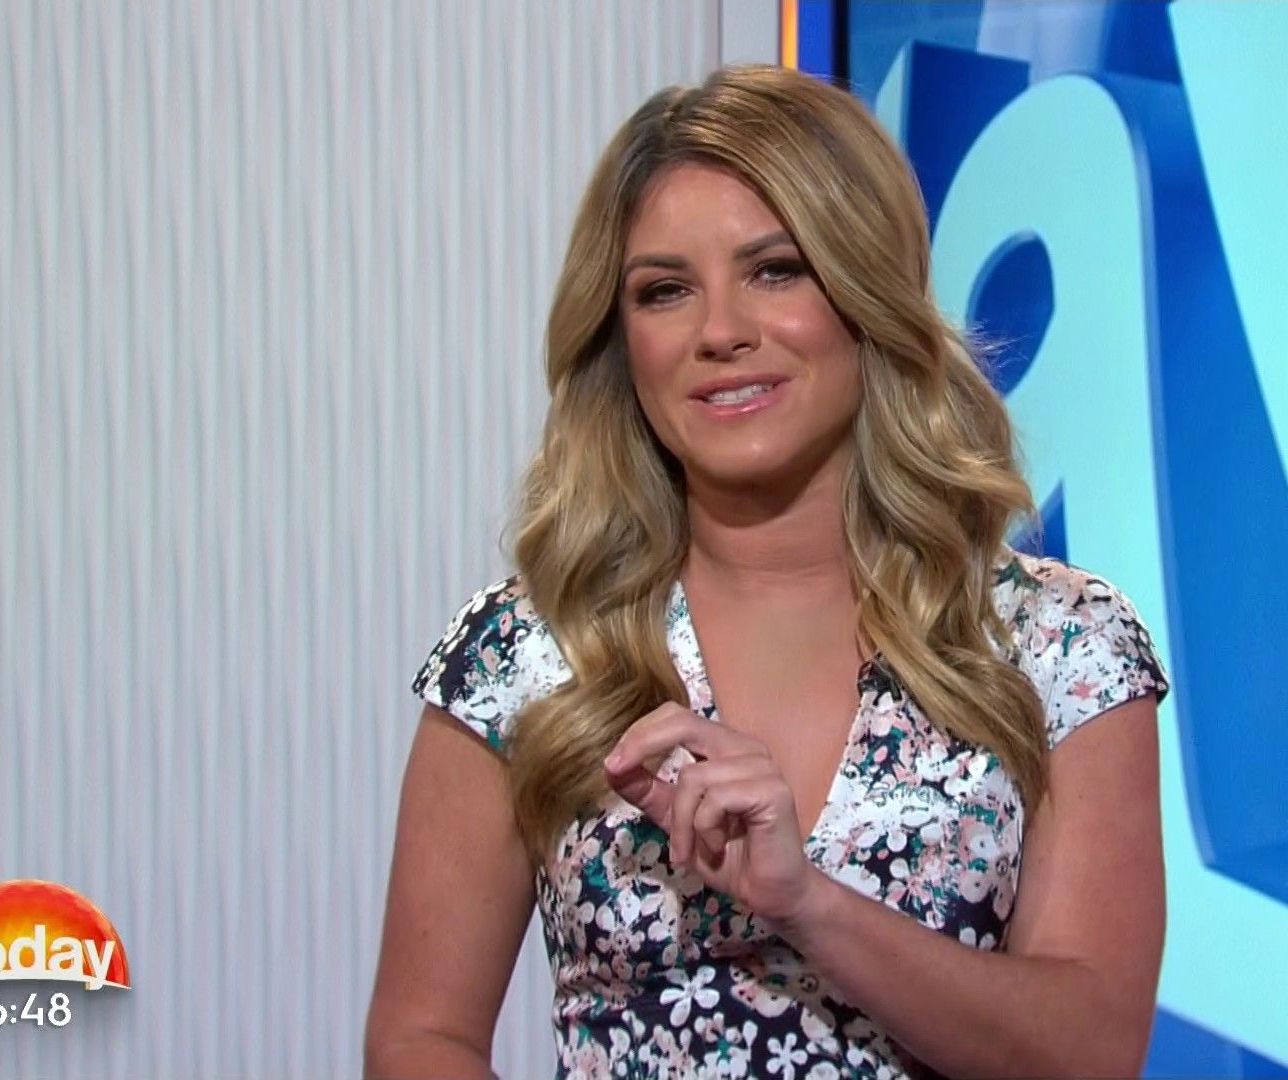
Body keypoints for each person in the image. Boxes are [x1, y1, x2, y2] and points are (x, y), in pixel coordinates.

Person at [364, 64, 1169, 1080]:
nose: (719, 333)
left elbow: (1092, 1052)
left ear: (867, 291)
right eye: (665, 291)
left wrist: (807, 905)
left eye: (776, 271)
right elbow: (418, 1040)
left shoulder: (1062, 646)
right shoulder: (526, 653)